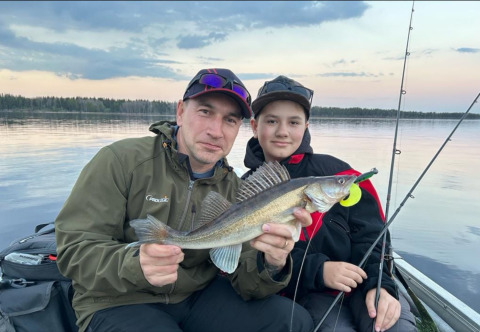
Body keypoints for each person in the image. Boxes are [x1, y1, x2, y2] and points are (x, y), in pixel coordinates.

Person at [55, 68, 314, 332]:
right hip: (117, 300)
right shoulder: (120, 161)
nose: (216, 131)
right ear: (180, 111)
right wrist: (135, 265)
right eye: (205, 112)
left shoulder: (237, 189)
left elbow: (248, 284)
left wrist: (272, 263)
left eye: (230, 120)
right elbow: (73, 250)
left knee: (293, 322)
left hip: (195, 296)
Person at [242, 75, 417, 332]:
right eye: (271, 121)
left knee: (394, 327)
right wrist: (320, 270)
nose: (283, 131)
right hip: (308, 293)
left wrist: (380, 286)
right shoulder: (243, 192)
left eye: (294, 122)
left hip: (364, 283)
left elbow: (373, 237)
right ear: (255, 126)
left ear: (306, 126)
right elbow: (257, 261)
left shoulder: (341, 175)